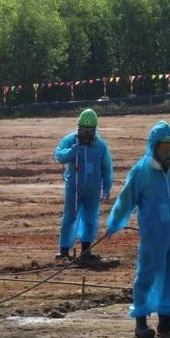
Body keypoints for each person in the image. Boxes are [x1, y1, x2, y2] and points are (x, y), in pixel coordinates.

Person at [106, 120, 170, 338]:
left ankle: (166, 319)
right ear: (153, 147)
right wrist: (115, 223)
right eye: (164, 148)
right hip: (154, 235)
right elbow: (125, 200)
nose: (168, 153)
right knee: (148, 274)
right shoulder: (141, 172)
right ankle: (141, 321)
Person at [54, 109, 113, 264]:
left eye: (89, 132)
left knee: (90, 219)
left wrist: (107, 185)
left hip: (93, 191)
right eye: (83, 131)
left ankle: (86, 250)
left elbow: (107, 167)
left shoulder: (100, 146)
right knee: (70, 218)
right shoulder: (70, 141)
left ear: (94, 131)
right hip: (74, 188)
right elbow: (59, 156)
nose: (86, 135)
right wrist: (72, 151)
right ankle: (64, 250)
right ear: (78, 129)